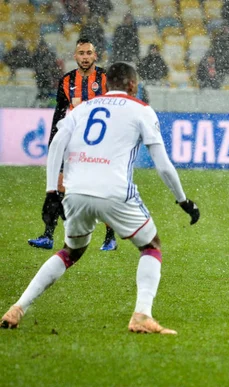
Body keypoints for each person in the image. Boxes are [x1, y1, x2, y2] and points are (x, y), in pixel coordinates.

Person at [1, 62, 201, 334]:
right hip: (114, 191)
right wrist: (183, 200)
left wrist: (51, 192)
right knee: (151, 246)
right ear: (133, 85)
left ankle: (18, 307)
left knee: (70, 252)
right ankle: (141, 315)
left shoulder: (81, 109)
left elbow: (57, 144)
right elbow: (163, 164)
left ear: (105, 84)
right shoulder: (141, 109)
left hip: (76, 191)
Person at [27, 38, 118, 252]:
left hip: (101, 144)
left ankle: (110, 238)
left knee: (103, 188)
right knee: (58, 185)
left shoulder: (106, 78)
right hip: (74, 142)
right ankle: (48, 235)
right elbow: (59, 113)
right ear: (75, 56)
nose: (85, 57)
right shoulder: (67, 81)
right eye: (81, 53)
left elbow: (118, 109)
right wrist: (53, 142)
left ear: (95, 55)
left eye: (89, 53)